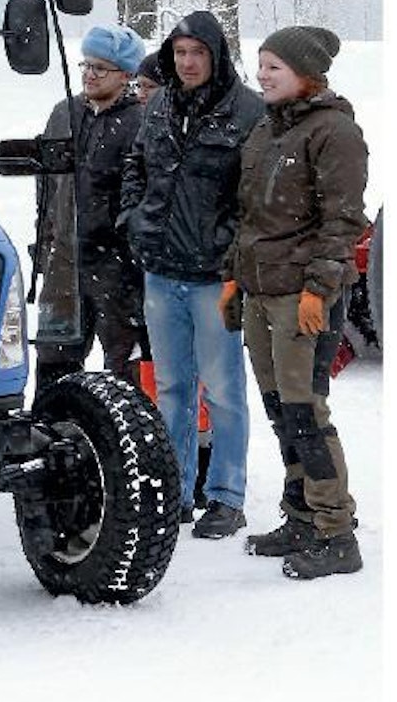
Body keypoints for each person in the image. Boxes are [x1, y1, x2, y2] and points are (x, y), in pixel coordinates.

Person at [224, 26, 367, 578]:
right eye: (260, 65)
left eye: (273, 67)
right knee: (281, 410)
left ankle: (337, 533)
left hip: (303, 297)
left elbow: (342, 222)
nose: (262, 75)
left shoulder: (335, 132)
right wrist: (234, 277)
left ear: (306, 73)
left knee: (306, 413)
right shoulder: (265, 131)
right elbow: (249, 218)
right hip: (261, 293)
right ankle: (301, 516)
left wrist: (319, 289)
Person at [119, 11, 264, 537]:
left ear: (215, 55)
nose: (187, 62)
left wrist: (228, 247)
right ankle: (175, 492)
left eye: (196, 53)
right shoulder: (158, 104)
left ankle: (226, 496)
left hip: (214, 277)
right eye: (179, 53)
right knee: (173, 387)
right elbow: (137, 165)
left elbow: (255, 192)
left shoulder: (246, 110)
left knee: (223, 391)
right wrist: (133, 219)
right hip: (160, 270)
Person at [32, 25, 147, 394]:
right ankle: (51, 432)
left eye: (102, 68)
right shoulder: (63, 113)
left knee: (124, 368)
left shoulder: (139, 121)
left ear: (126, 75)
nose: (90, 74)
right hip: (63, 262)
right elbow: (47, 185)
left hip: (117, 268)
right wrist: (45, 237)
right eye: (87, 64)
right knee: (54, 359)